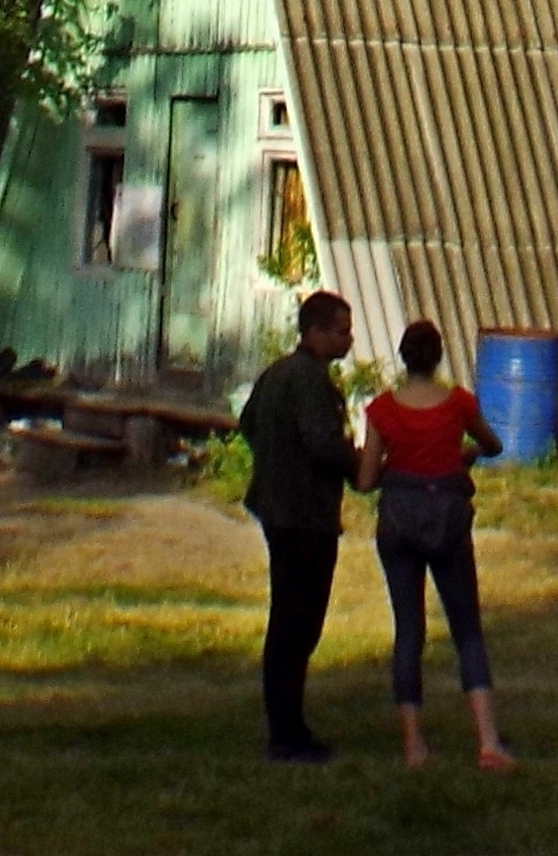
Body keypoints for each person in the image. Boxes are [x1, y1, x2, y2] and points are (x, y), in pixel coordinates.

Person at [355, 318, 514, 771]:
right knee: (466, 631)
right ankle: (487, 743)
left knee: (409, 631)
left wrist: (394, 466)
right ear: (439, 356)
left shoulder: (382, 410)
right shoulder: (459, 403)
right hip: (447, 518)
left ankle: (413, 746)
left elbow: (365, 480)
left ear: (403, 358)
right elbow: (493, 443)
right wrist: (460, 455)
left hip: (400, 520)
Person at [238, 289, 362, 762]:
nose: (349, 340)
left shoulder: (275, 374)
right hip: (305, 516)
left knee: (288, 621)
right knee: (298, 624)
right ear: (315, 332)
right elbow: (323, 445)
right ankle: (287, 734)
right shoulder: (309, 380)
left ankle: (287, 725)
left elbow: (248, 424)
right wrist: (359, 464)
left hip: (276, 509)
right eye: (342, 331)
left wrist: (274, 461)